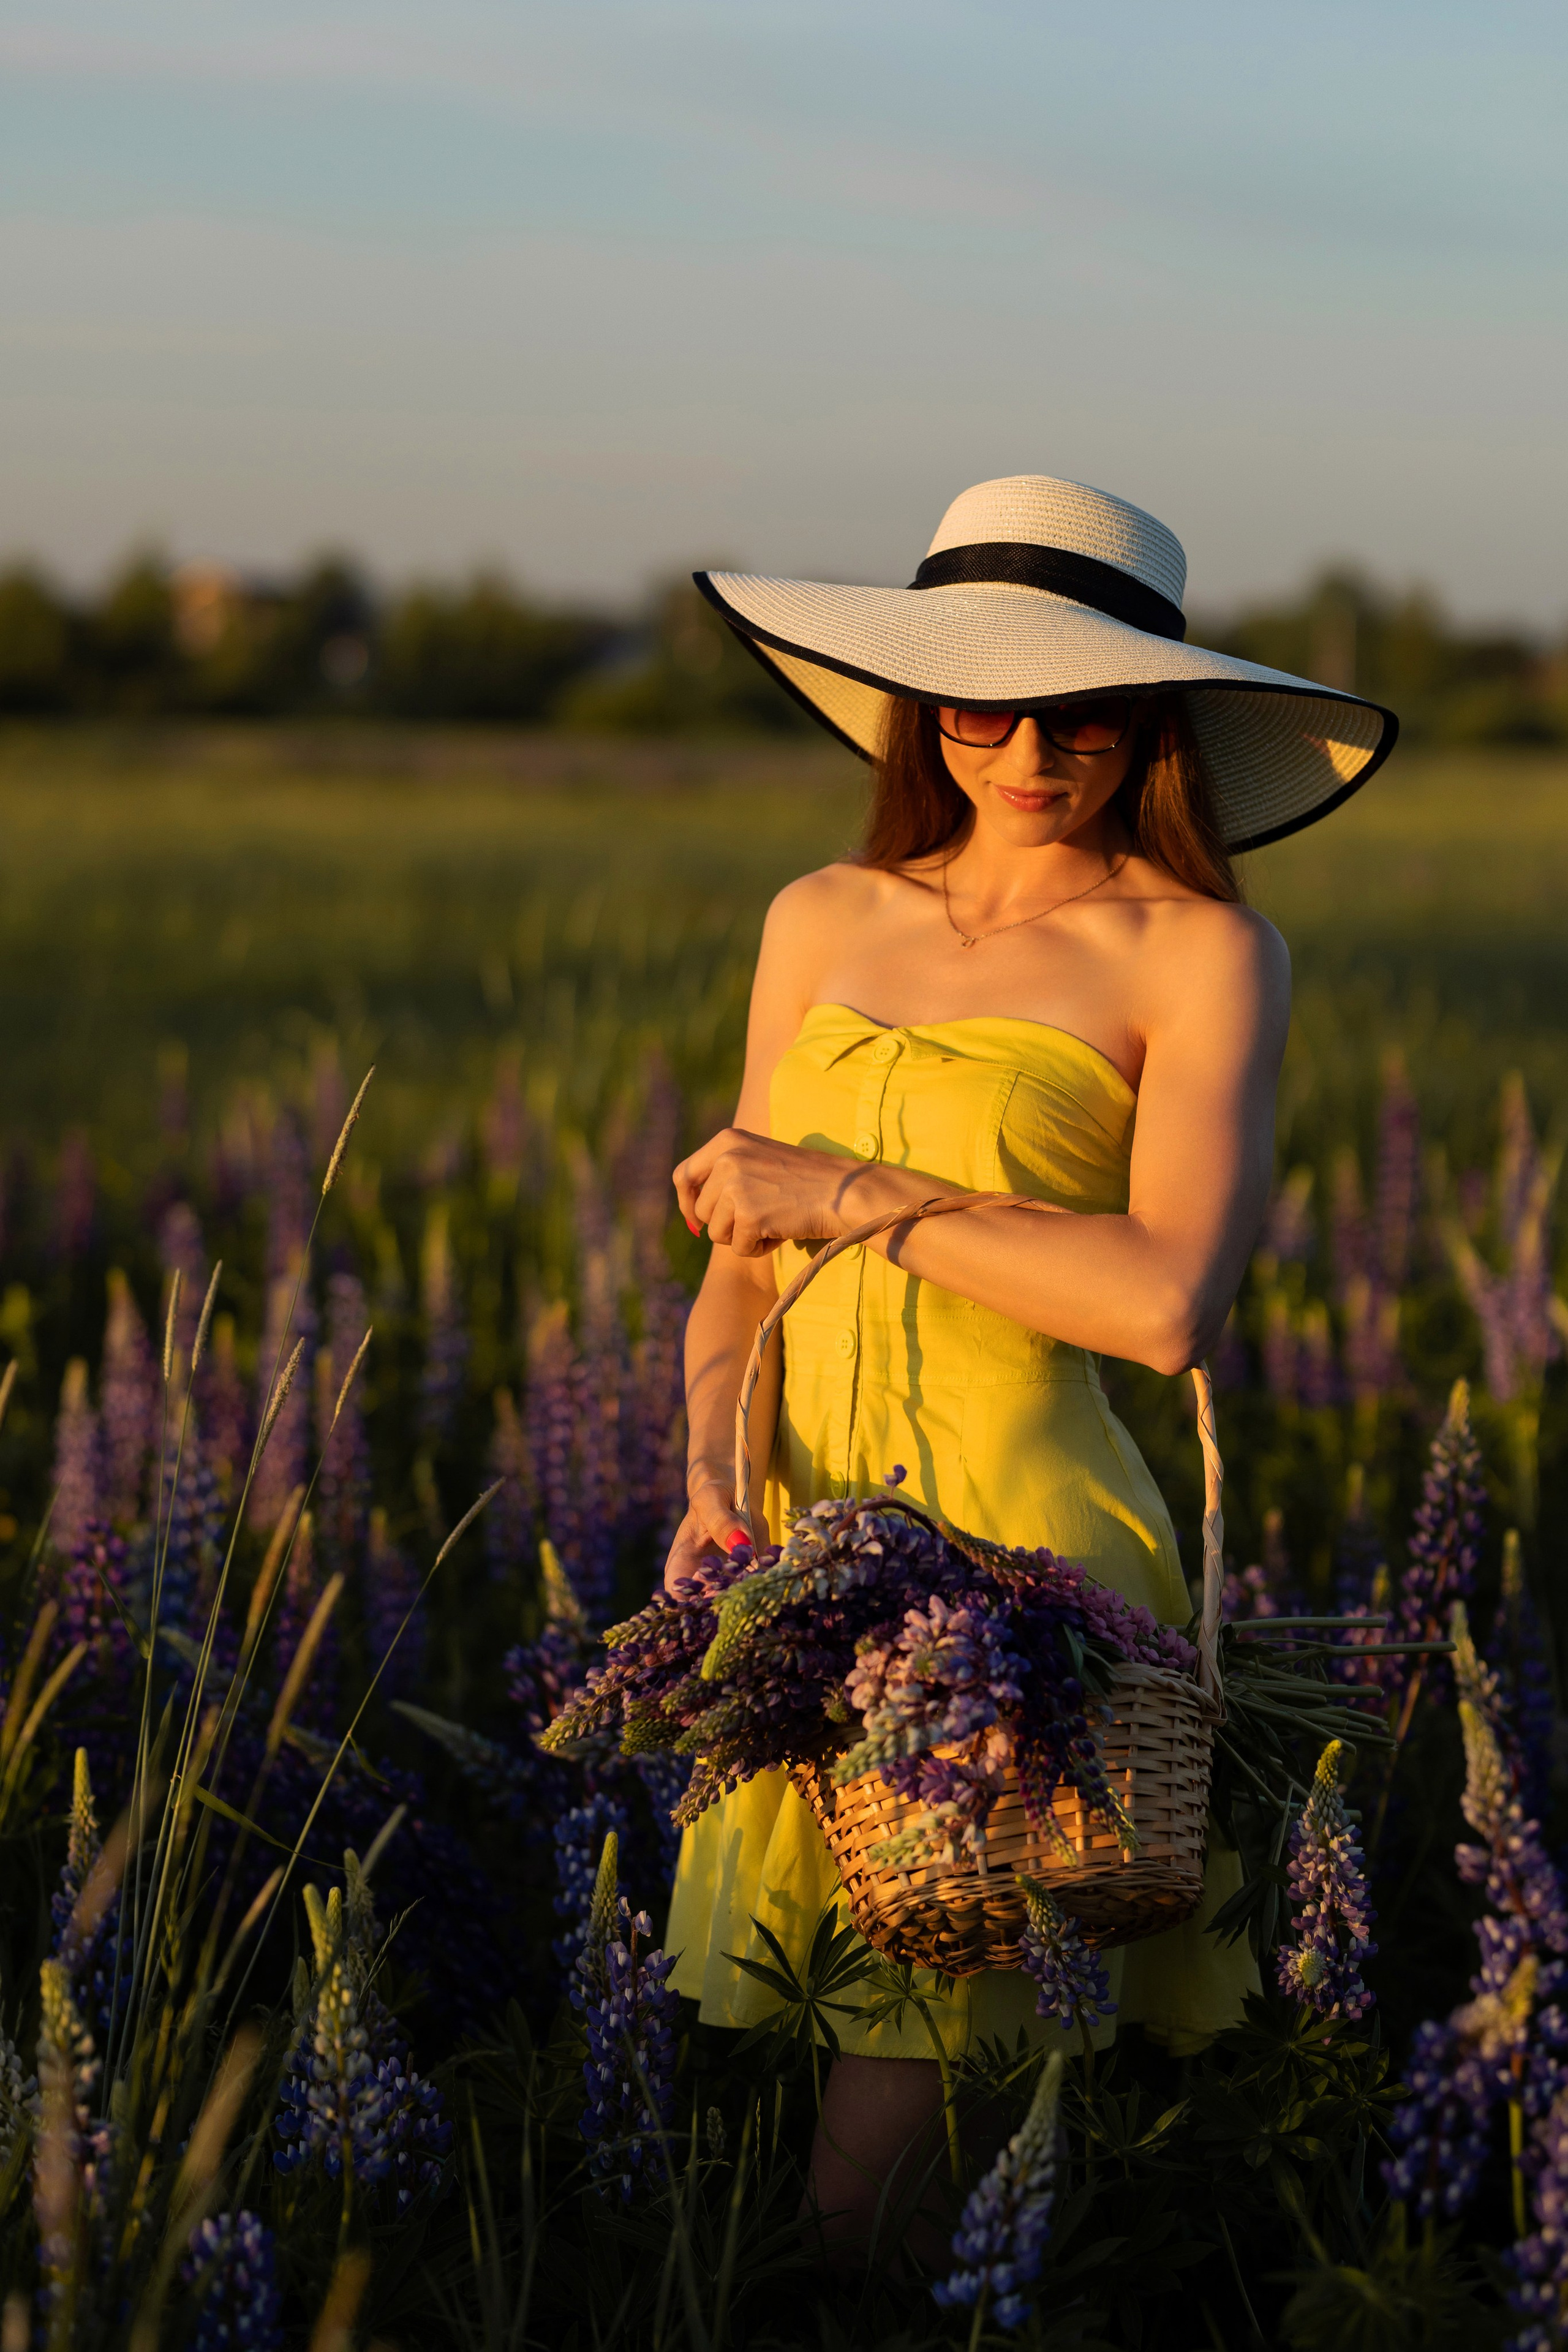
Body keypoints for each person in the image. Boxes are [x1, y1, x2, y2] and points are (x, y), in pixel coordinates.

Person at [660, 474, 1396, 2250]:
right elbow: (738, 1266)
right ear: (925, 708)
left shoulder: (1202, 951)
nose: (1032, 747)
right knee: (839, 2045)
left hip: (1018, 1576)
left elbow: (1166, 1303)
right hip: (803, 1557)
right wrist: (706, 1483)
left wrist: (852, 1194)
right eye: (984, 704)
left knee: (887, 2138)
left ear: (1152, 720)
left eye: (1085, 709)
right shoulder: (821, 914)